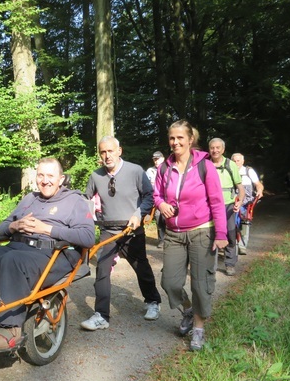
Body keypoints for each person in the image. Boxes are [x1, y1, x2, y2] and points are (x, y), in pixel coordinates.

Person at [0, 157, 95, 351]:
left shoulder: (75, 201)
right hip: (19, 246)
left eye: (50, 175)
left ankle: (11, 328)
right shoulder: (29, 199)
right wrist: (13, 225)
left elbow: (87, 237)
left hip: (53, 253)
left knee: (12, 261)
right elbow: (1, 228)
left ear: (61, 178)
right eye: (41, 175)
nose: (45, 180)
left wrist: (47, 229)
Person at [154, 120, 228, 351]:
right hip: (174, 234)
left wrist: (222, 233)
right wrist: (161, 204)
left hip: (201, 232)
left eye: (180, 138)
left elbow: (217, 201)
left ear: (190, 140)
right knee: (170, 282)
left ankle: (198, 328)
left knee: (200, 284)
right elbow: (156, 194)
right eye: (171, 138)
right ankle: (187, 309)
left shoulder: (204, 166)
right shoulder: (164, 168)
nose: (175, 142)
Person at [81, 136, 162, 330]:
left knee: (141, 266)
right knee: (102, 269)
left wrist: (138, 214)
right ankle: (101, 315)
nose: (107, 156)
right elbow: (85, 200)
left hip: (131, 229)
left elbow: (149, 196)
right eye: (103, 152)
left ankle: (152, 302)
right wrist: (86, 218)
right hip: (108, 230)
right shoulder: (96, 175)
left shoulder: (135, 171)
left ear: (119, 151)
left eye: (110, 151)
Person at [208, 138, 245, 276]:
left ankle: (230, 264)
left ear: (223, 150)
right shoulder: (205, 165)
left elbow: (240, 188)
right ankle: (211, 265)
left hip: (228, 206)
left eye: (218, 148)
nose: (215, 150)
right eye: (212, 148)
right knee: (210, 235)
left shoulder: (231, 165)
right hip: (209, 206)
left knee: (230, 234)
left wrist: (239, 201)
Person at [231, 153, 264, 254]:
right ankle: (232, 244)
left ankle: (242, 245)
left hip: (246, 202)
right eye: (234, 161)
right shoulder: (228, 171)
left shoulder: (248, 171)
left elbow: (258, 184)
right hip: (231, 200)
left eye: (238, 161)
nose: (236, 163)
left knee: (245, 221)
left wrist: (260, 191)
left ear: (243, 161)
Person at [146, 151, 166, 248]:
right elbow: (146, 185)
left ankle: (171, 239)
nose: (156, 161)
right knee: (159, 218)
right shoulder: (150, 171)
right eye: (154, 159)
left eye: (158, 159)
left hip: (169, 199)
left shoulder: (169, 169)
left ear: (163, 158)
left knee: (168, 218)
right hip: (157, 199)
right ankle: (161, 240)